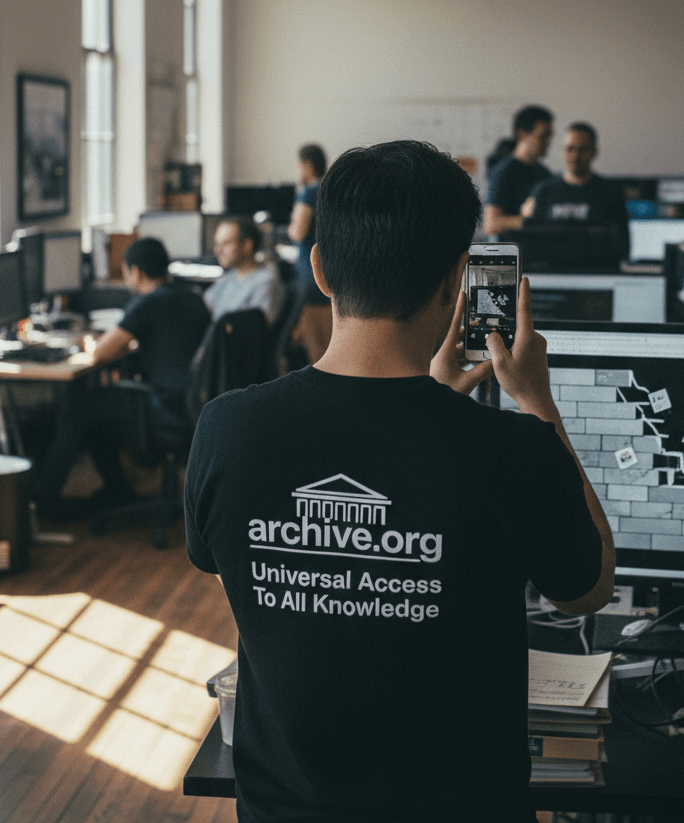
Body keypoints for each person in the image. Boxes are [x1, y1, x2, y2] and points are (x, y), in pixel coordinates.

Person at [184, 140, 614, 823]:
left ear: (320, 269)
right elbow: (587, 589)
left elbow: (235, 568)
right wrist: (537, 401)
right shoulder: (509, 447)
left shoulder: (227, 430)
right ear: (456, 283)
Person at [35, 237, 211, 520]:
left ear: (136, 272)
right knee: (95, 412)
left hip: (163, 406)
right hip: (193, 404)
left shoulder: (147, 304)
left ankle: (45, 502)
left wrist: (87, 342)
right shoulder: (192, 297)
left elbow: (100, 355)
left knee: (77, 412)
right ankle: (118, 490)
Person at [521, 121, 630, 261]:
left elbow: (622, 243)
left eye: (582, 150)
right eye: (570, 149)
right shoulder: (544, 190)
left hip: (596, 274)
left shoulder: (610, 192)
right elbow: (531, 241)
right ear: (562, 151)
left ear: (594, 152)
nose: (575, 156)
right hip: (551, 274)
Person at [286, 143, 332, 363]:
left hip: (309, 271)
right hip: (329, 266)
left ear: (307, 165)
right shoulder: (330, 187)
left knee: (316, 346)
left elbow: (297, 232)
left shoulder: (309, 192)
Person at [483, 104, 554, 235]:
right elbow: (491, 224)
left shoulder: (544, 173)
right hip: (515, 252)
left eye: (549, 136)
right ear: (522, 135)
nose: (548, 142)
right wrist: (529, 219)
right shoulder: (504, 172)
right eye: (543, 136)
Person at [204, 215, 284, 325]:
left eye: (226, 243)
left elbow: (257, 328)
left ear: (247, 245)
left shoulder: (265, 281)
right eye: (218, 244)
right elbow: (202, 308)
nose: (218, 251)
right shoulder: (226, 279)